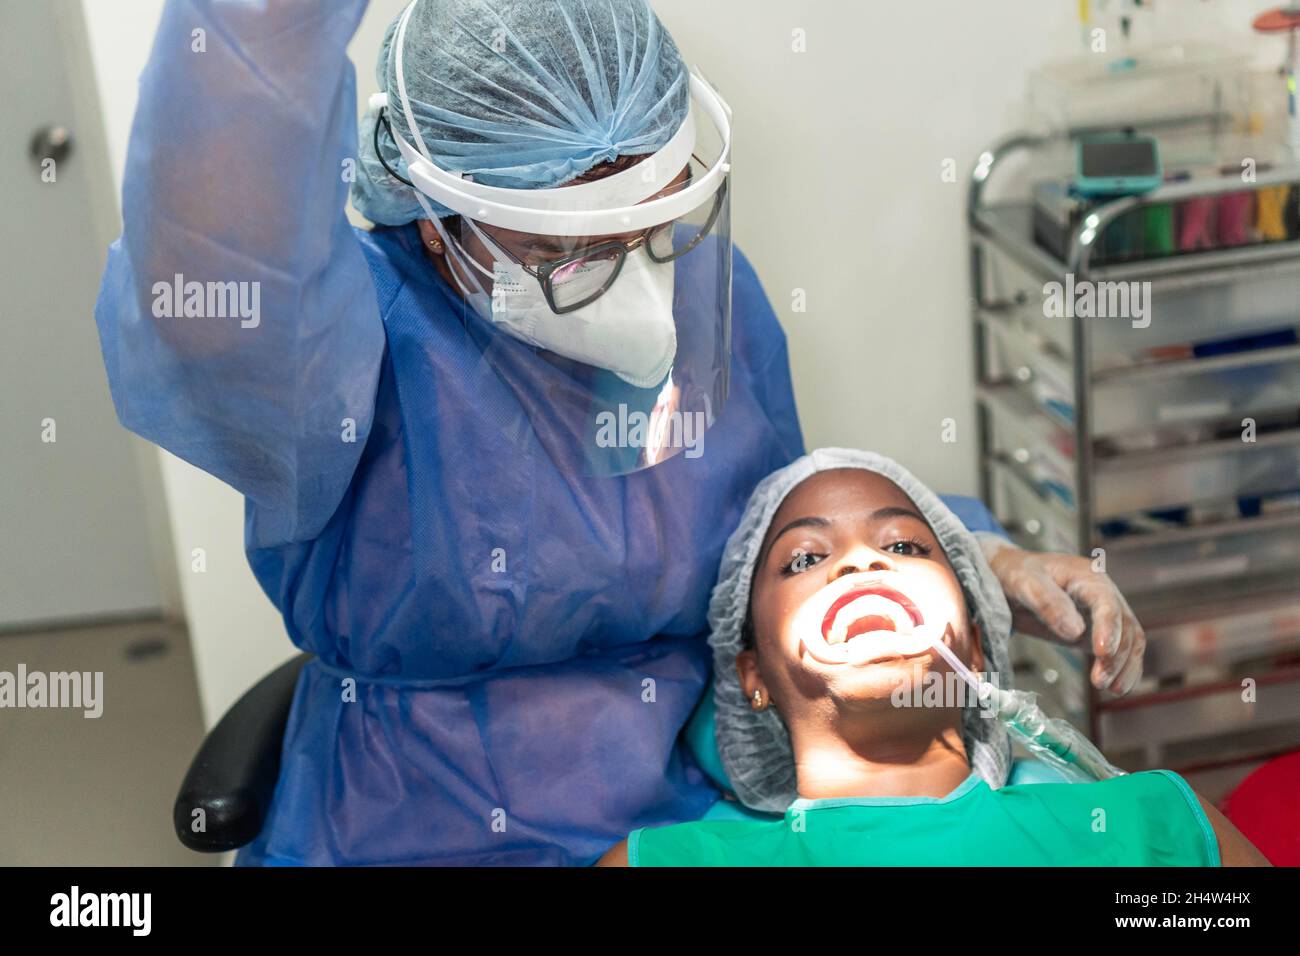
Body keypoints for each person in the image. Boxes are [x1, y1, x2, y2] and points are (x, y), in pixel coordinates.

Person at [94, 0, 1144, 866]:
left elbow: (776, 524)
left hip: (689, 809)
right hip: (411, 826)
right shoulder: (340, 348)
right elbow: (218, 265)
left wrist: (978, 556)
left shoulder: (704, 293)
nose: (638, 281)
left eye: (651, 221)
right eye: (569, 247)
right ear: (435, 214)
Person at [598, 449, 1265, 866]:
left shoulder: (1157, 827)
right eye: (805, 558)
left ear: (976, 644)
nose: (862, 562)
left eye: (906, 547)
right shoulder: (668, 863)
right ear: (753, 677)